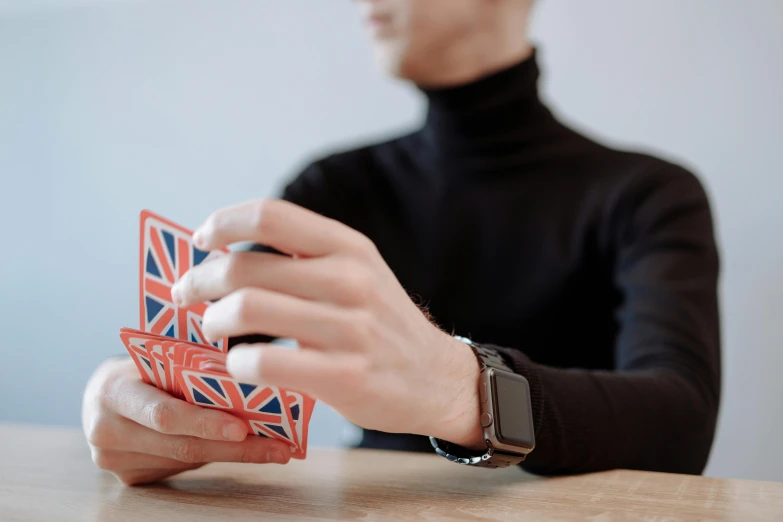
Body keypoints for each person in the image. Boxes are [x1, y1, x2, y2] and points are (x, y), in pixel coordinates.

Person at [82, 0, 720, 485]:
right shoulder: (334, 188)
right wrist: (129, 400)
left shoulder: (651, 195)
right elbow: (198, 362)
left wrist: (459, 389)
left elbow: (681, 422)